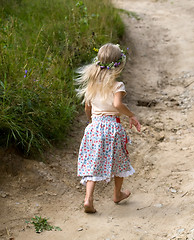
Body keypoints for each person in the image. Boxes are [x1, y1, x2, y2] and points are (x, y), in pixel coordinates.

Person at [75, 43, 141, 213]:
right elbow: (117, 104)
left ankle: (88, 198)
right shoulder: (117, 85)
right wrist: (131, 115)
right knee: (119, 162)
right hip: (112, 128)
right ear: (118, 65)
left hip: (94, 128)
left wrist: (91, 122)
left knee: (93, 162)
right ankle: (117, 194)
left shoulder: (92, 84)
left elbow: (87, 107)